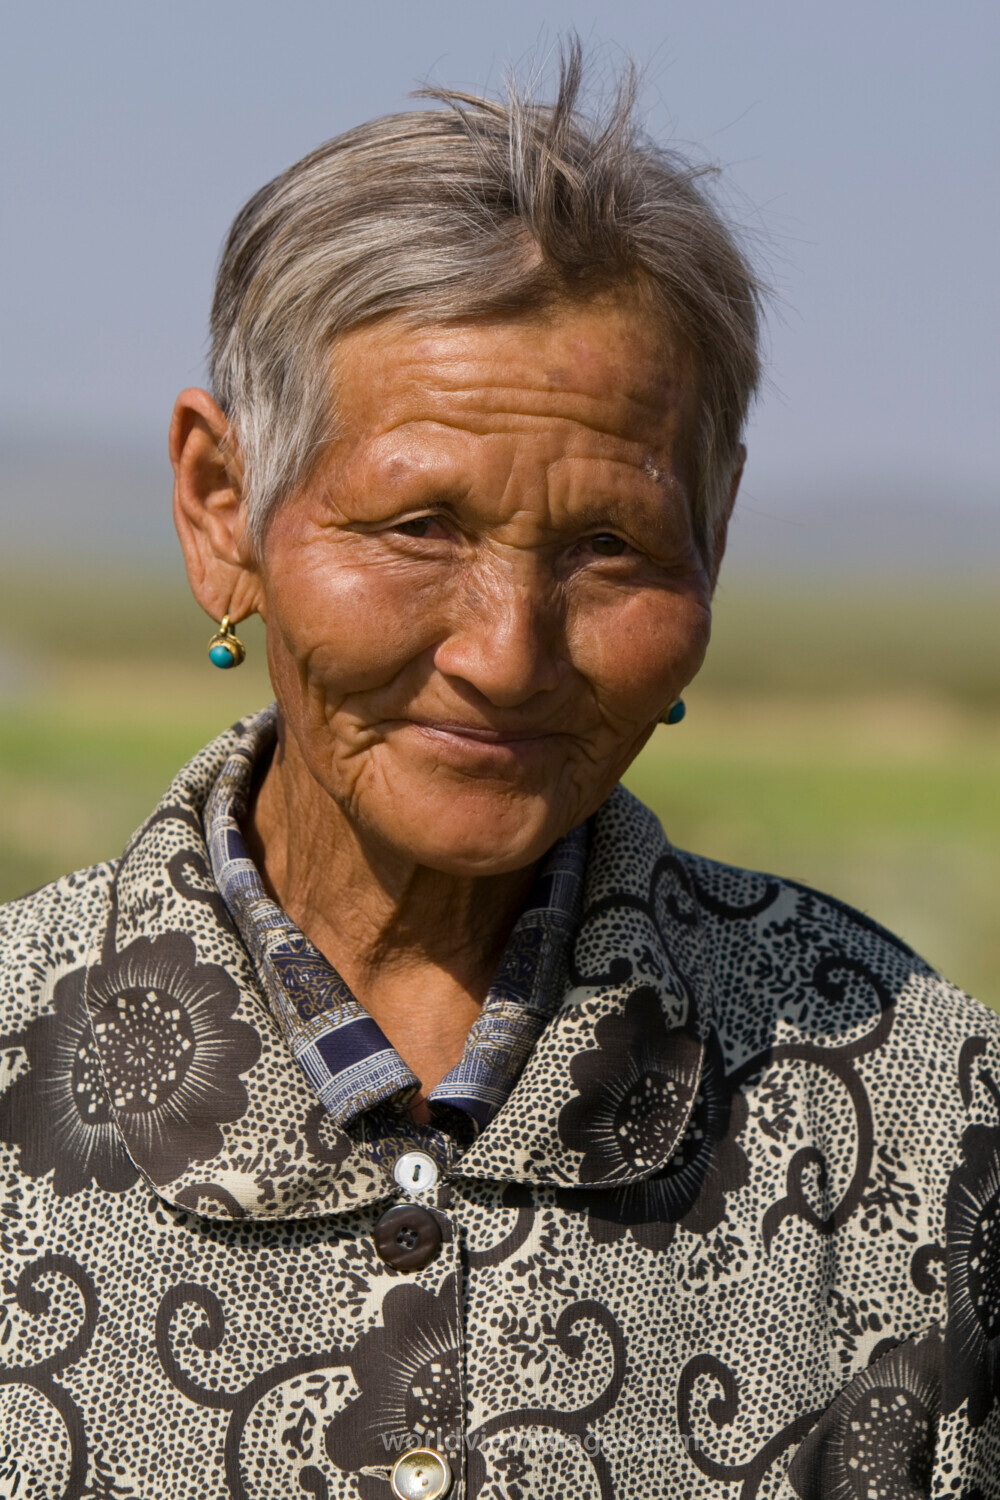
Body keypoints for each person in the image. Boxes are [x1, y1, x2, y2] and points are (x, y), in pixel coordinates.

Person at [1, 47, 998, 1500]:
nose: (509, 654)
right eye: (416, 525)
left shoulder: (925, 1115)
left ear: (712, 543)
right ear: (224, 512)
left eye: (611, 547)